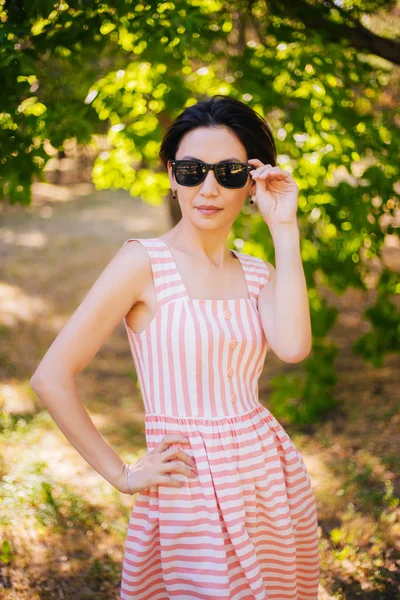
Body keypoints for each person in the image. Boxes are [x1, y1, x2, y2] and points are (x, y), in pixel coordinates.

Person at [30, 94, 320, 599]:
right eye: (191, 170)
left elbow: (293, 347)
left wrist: (285, 227)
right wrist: (121, 474)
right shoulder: (144, 263)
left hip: (266, 476)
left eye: (229, 172)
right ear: (171, 174)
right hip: (188, 486)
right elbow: (51, 377)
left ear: (252, 181)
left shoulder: (257, 272)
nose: (208, 188)